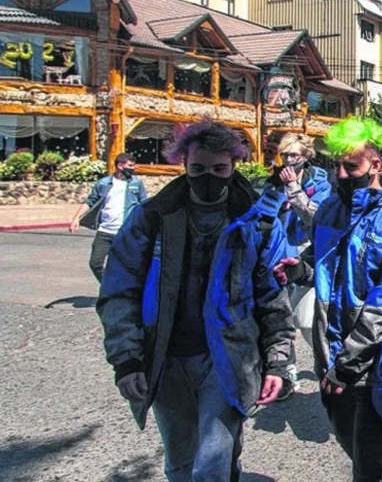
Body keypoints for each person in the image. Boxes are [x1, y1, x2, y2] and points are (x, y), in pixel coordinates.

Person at [96, 120, 295, 480]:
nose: (209, 177)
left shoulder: (258, 223)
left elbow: (273, 298)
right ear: (183, 164)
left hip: (229, 360)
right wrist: (126, 360)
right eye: (198, 168)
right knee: (181, 461)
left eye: (219, 169)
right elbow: (119, 291)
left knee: (213, 462)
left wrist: (279, 364)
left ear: (234, 165)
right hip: (166, 358)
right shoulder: (151, 217)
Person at [278, 117, 382, 481]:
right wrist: (299, 269)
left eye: (352, 166)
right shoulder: (331, 208)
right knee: (346, 439)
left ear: (375, 165)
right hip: (329, 354)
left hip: (375, 362)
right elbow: (322, 260)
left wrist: (348, 365)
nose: (343, 175)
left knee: (366, 459)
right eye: (338, 165)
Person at [264, 132, 332, 401]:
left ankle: (328, 359)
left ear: (306, 157)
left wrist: (294, 189)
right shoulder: (273, 181)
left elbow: (317, 218)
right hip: (276, 254)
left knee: (304, 321)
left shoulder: (321, 183)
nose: (289, 161)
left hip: (307, 256)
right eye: (285, 155)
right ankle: (288, 375)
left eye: (294, 155)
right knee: (280, 318)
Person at [68, 152, 147, 282]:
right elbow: (90, 202)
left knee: (128, 265)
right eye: (130, 165)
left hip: (125, 231)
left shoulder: (136, 183)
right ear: (120, 165)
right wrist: (76, 218)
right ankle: (108, 287)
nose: (133, 168)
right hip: (105, 231)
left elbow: (143, 204)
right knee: (95, 264)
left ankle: (126, 294)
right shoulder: (103, 183)